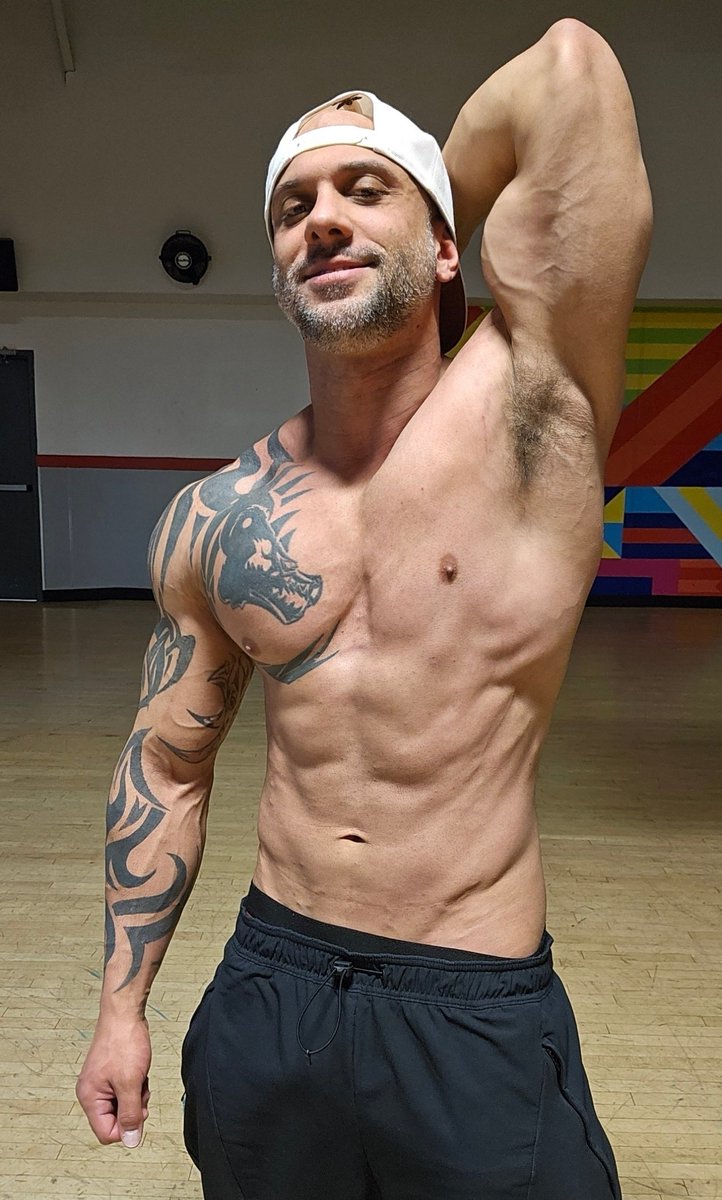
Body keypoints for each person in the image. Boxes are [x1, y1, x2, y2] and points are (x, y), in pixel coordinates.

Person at [77, 18, 652, 1199]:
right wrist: (120, 1010)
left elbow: (568, 70)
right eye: (292, 209)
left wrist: (418, 182)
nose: (322, 220)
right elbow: (166, 770)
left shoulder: (533, 415)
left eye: (362, 191)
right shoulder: (219, 516)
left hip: (468, 1007)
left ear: (447, 246)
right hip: (270, 985)